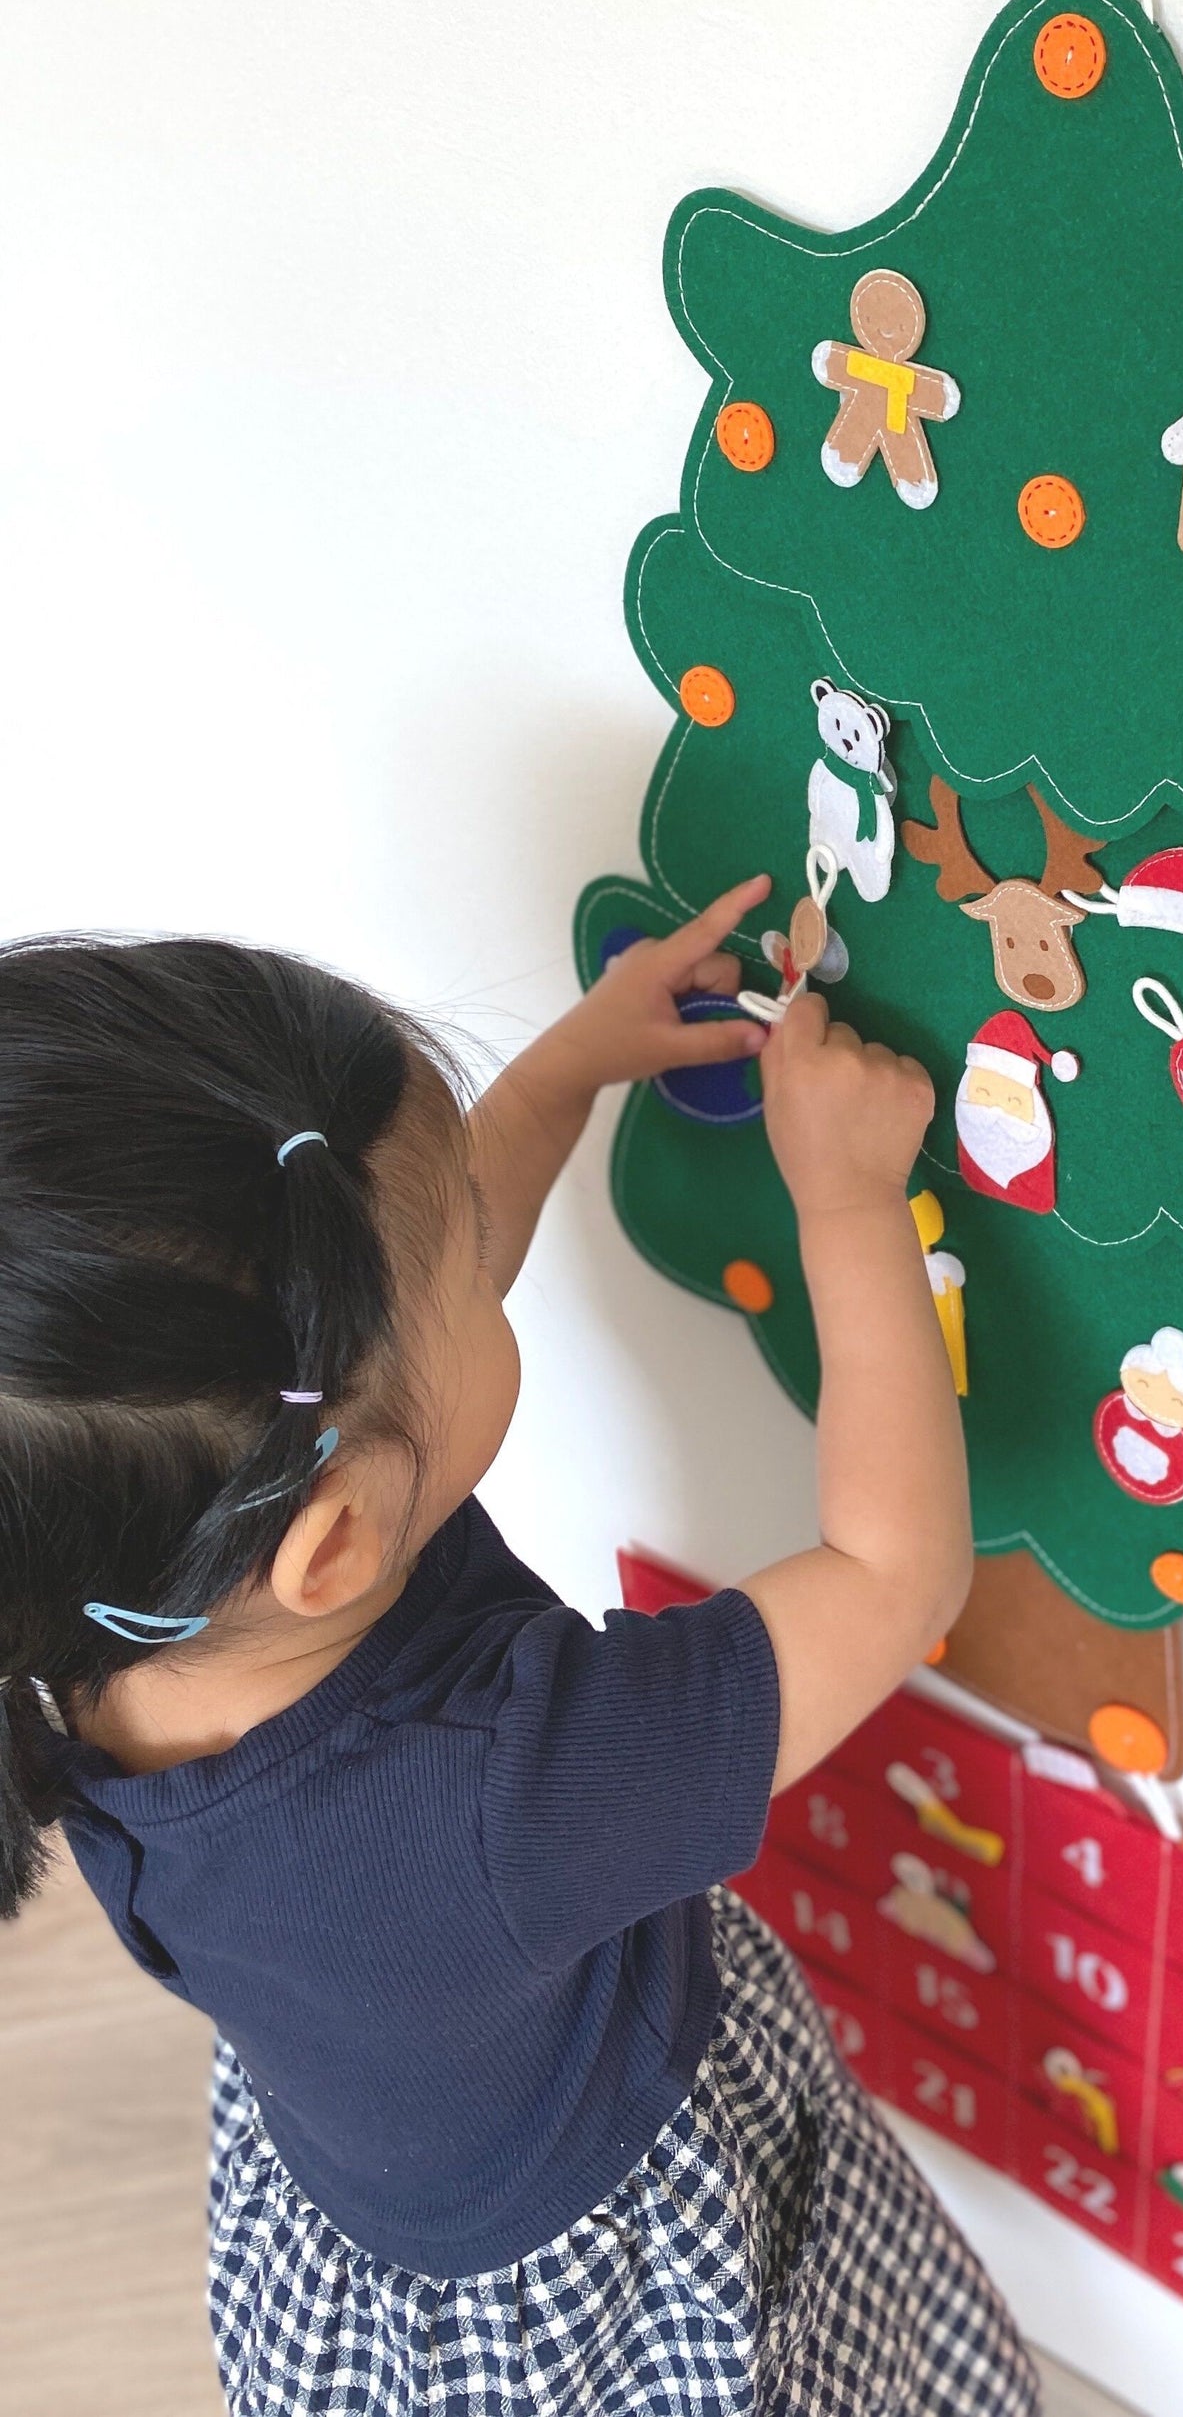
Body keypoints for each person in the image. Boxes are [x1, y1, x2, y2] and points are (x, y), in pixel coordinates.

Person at [0, 886, 1040, 2416]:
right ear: (333, 1543)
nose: (481, 1245)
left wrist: (567, 1063)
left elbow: (378, 1329)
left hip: (366, 2209)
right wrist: (845, 1199)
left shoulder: (78, 1629)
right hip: (604, 2287)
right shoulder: (507, 1791)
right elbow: (893, 1575)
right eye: (466, 1251)